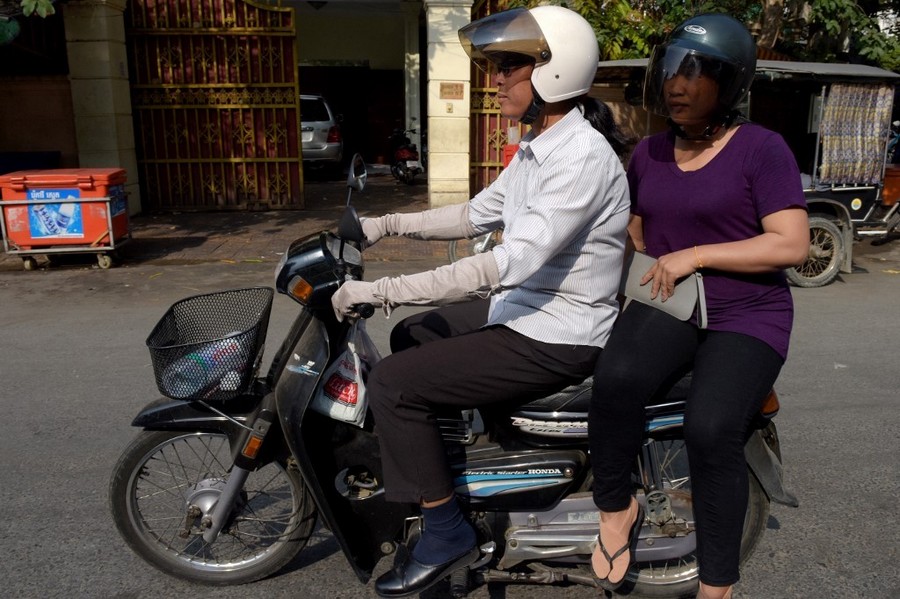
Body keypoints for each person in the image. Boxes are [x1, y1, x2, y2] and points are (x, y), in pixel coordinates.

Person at [331, 6, 631, 597]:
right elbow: (474, 215)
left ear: (554, 72)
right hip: (528, 308)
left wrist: (382, 291)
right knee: (413, 335)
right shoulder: (538, 146)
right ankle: (455, 470)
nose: (495, 80)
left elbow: (504, 263)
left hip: (559, 332)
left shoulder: (581, 159)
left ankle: (446, 531)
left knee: (394, 383)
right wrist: (381, 224)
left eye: (509, 66)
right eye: (494, 67)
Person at [587, 13, 809, 599]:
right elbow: (630, 230)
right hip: (669, 301)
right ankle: (615, 508)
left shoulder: (763, 149)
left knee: (711, 428)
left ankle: (717, 585)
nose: (677, 86)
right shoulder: (650, 152)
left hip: (748, 312)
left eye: (696, 74)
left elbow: (790, 243)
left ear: (730, 83)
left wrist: (696, 254)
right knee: (615, 378)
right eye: (671, 72)